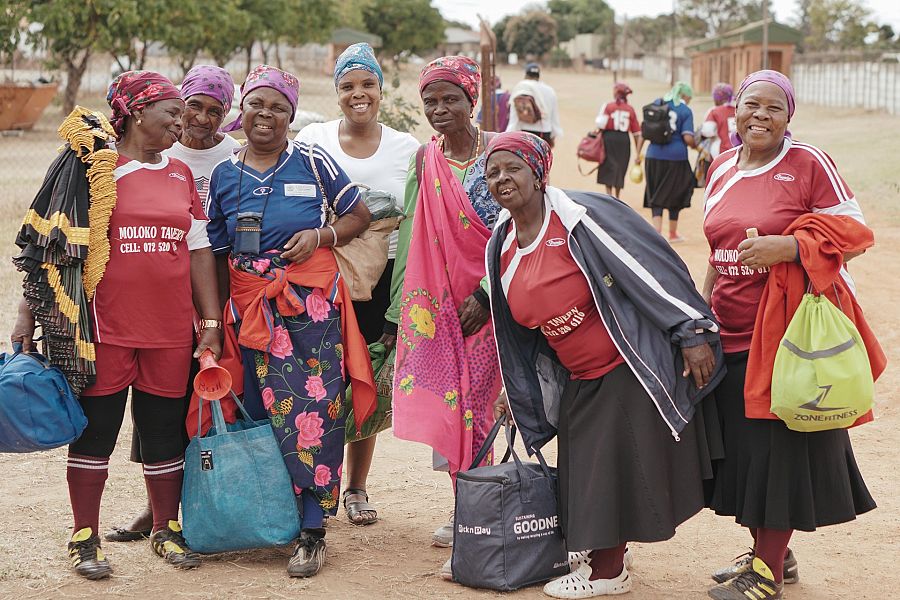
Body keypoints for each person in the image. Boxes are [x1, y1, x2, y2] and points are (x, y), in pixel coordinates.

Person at [483, 131, 725, 598]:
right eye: (493, 172)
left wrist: (692, 331)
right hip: (576, 374)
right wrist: (514, 390)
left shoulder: (580, 218)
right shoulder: (503, 242)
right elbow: (519, 335)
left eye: (513, 167)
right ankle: (606, 553)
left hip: (625, 364)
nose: (502, 178)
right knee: (584, 472)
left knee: (610, 469)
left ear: (537, 172)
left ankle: (608, 572)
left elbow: (648, 264)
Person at [12, 70, 224, 579]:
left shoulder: (178, 173)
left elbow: (198, 251)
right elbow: (52, 248)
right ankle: (84, 535)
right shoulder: (92, 170)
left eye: (183, 113)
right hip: (103, 330)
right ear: (133, 112)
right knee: (97, 432)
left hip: (171, 330)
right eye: (171, 112)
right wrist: (26, 312)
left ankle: (165, 529)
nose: (182, 121)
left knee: (163, 434)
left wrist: (210, 321)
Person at [701, 70, 882, 600]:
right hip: (729, 329)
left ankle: (766, 572)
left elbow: (855, 234)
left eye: (773, 108)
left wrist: (791, 247)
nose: (760, 115)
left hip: (786, 333)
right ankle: (772, 551)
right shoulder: (720, 168)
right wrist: (700, 307)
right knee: (745, 452)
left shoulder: (807, 164)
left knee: (777, 450)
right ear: (734, 110)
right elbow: (717, 249)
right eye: (751, 105)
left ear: (789, 117)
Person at [206, 64, 376, 578]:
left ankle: (312, 530)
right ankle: (271, 517)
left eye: (279, 107)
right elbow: (215, 251)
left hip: (311, 310)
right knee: (258, 411)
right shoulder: (224, 174)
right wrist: (214, 321)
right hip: (249, 308)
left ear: (291, 116)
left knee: (314, 411)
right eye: (257, 103)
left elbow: (359, 215)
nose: (267, 115)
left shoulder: (313, 161)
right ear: (242, 109)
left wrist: (322, 236)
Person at [106, 64, 242, 544]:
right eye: (192, 108)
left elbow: (203, 243)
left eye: (214, 110)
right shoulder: (151, 152)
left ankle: (199, 512)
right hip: (141, 306)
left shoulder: (235, 156)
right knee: (154, 416)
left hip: (213, 293)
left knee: (196, 408)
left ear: (227, 115)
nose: (199, 119)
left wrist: (211, 315)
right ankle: (155, 511)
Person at [383, 56, 503, 567]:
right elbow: (413, 233)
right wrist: (399, 313)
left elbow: (520, 229)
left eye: (450, 98)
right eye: (430, 100)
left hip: (491, 306)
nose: (439, 109)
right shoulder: (425, 159)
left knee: (479, 407)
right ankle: (467, 511)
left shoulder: (500, 151)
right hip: (435, 308)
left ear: (471, 100)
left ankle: (481, 512)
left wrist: (485, 292)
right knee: (450, 407)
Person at [295, 43, 419, 526]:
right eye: (348, 86)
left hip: (380, 282)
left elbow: (411, 221)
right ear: (337, 92)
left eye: (367, 84)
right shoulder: (314, 137)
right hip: (322, 275)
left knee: (365, 378)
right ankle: (313, 486)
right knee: (318, 381)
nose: (358, 93)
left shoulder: (406, 147)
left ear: (381, 91)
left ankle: (357, 487)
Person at [636, 81, 696, 242]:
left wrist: (637, 154)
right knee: (677, 193)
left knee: (655, 192)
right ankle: (673, 233)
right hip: (676, 158)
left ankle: (657, 233)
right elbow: (688, 137)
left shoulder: (657, 104)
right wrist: (696, 145)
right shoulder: (685, 110)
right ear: (684, 95)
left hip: (653, 155)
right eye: (689, 97)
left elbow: (643, 133)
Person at [594, 82, 642, 197]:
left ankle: (609, 194)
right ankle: (617, 195)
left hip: (609, 138)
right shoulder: (630, 109)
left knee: (608, 166)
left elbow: (601, 125)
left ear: (616, 93)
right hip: (623, 140)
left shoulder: (609, 106)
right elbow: (636, 133)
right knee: (621, 167)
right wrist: (638, 153)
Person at [506, 63, 563, 146]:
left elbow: (513, 118)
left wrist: (508, 135)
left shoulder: (521, 87)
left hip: (524, 132)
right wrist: (553, 135)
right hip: (544, 132)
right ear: (538, 76)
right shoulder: (550, 91)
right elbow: (554, 117)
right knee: (543, 158)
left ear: (526, 74)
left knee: (525, 158)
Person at [700, 82, 736, 159]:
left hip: (720, 152)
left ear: (718, 99)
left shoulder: (714, 111)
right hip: (737, 151)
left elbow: (707, 132)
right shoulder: (737, 110)